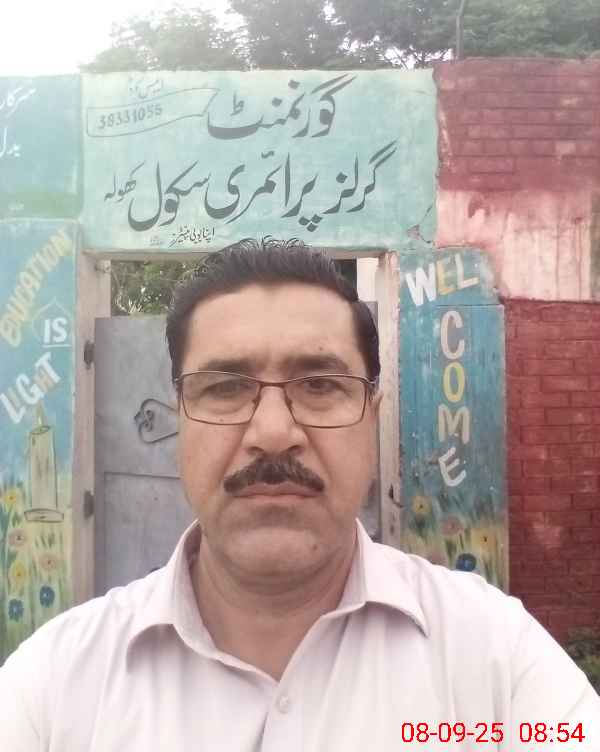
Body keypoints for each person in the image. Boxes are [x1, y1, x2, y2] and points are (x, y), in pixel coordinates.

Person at [1, 237, 598, 751]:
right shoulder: (53, 686)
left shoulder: (493, 659)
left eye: (319, 384)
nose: (272, 432)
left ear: (372, 420)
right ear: (181, 420)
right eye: (225, 387)